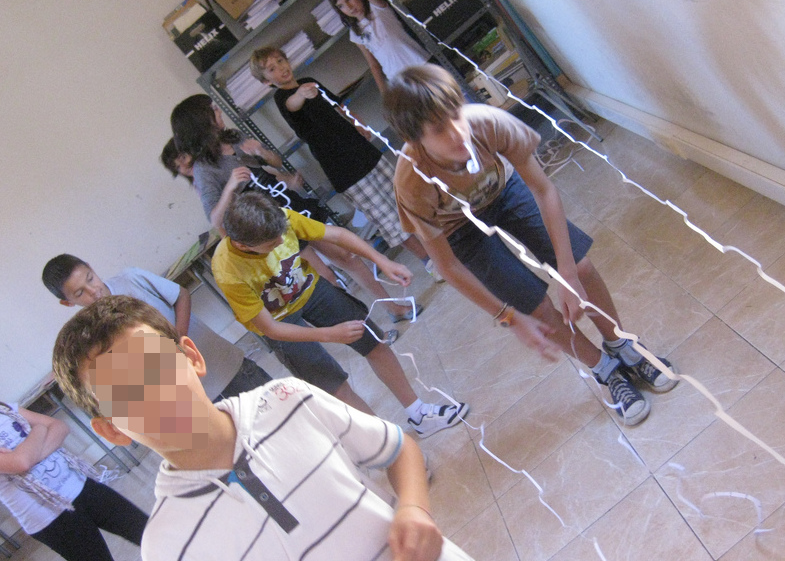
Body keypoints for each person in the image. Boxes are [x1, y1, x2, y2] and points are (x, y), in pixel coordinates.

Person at [51, 295, 475, 560]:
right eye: (126, 394)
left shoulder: (291, 400)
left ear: (192, 358)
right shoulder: (168, 545)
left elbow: (399, 448)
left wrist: (414, 509)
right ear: (112, 430)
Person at [385, 65, 680, 426]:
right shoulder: (412, 183)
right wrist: (509, 318)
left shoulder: (489, 123)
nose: (457, 132)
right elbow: (448, 267)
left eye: (455, 115)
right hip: (458, 228)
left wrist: (566, 272)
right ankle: (606, 370)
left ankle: (622, 344)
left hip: (503, 190)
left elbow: (544, 190)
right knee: (535, 309)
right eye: (439, 130)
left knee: (579, 267)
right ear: (416, 140)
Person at [212, 192, 468, 437]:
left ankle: (419, 414)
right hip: (277, 320)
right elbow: (270, 328)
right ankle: (390, 443)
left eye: (280, 236)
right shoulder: (228, 271)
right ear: (241, 244)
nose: (281, 242)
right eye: (271, 244)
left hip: (309, 288)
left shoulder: (279, 217)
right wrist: (329, 334)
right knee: (333, 383)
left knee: (373, 342)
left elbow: (336, 234)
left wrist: (381, 260)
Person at [169, 94, 415, 327]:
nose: (218, 110)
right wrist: (231, 186)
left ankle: (393, 308)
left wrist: (261, 152)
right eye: (212, 109)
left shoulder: (233, 138)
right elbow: (215, 218)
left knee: (347, 257)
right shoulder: (204, 169)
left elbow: (275, 162)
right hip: (270, 227)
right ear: (200, 122)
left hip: (290, 206)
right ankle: (366, 329)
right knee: (325, 279)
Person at [250, 46, 445, 308]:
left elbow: (339, 106)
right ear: (266, 81)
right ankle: (429, 262)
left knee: (406, 198)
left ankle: (441, 251)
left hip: (364, 152)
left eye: (281, 61)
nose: (281, 68)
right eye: (272, 69)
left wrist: (356, 123)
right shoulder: (283, 98)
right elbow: (292, 104)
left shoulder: (310, 82)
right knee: (389, 219)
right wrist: (299, 94)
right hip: (344, 170)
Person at [42, 254, 272, 402]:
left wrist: (179, 340)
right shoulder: (91, 336)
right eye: (80, 292)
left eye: (90, 279)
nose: (94, 291)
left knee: (277, 406)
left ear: (92, 268)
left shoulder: (130, 278)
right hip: (192, 399)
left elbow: (181, 295)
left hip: (222, 363)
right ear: (67, 303)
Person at [0, 401, 147, 561]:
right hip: (51, 518)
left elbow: (59, 427)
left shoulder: (5, 407)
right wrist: (40, 428)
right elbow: (21, 463)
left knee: (148, 531)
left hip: (81, 486)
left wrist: (31, 453)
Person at [328, 0, 430, 96]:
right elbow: (374, 65)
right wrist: (385, 95)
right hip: (400, 84)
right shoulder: (355, 34)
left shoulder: (377, 8)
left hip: (421, 66)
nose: (349, 7)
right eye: (341, 5)